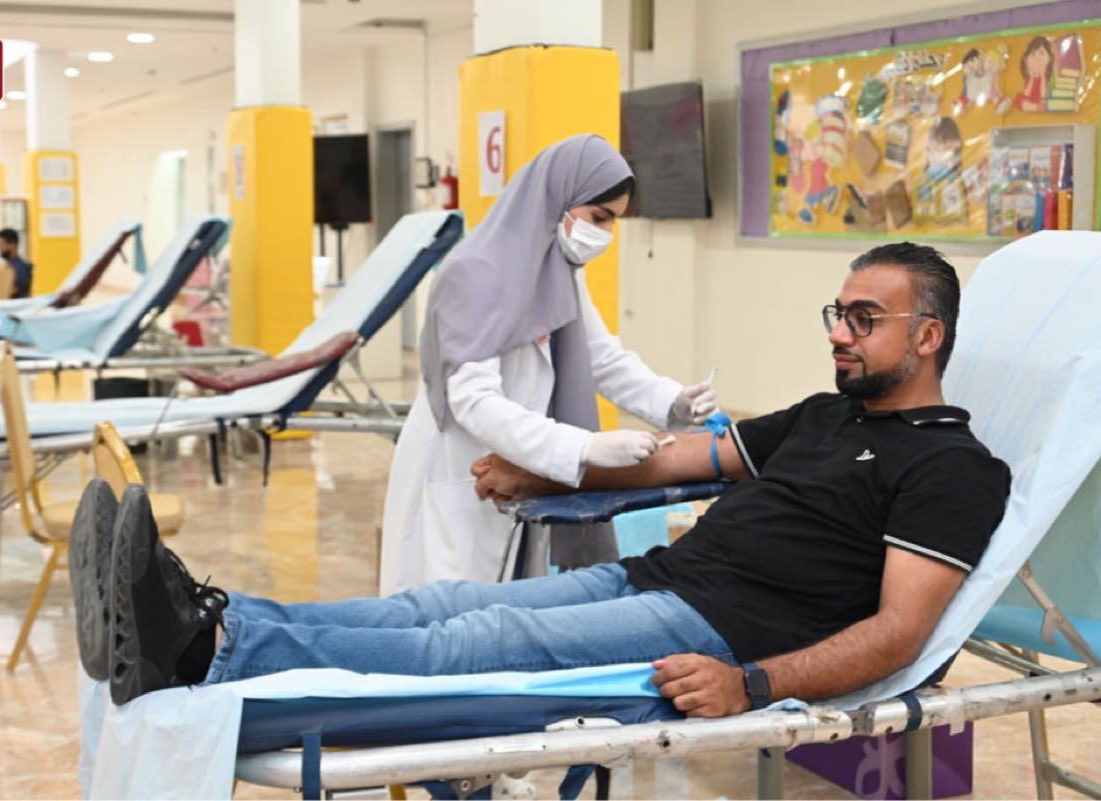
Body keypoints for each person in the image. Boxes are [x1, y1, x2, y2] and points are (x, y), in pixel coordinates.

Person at [72, 242, 1010, 713]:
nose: (838, 332)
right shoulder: (823, 414)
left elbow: (900, 633)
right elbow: (679, 455)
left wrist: (752, 684)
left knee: (482, 639)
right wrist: (546, 474)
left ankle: (203, 653)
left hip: (719, 631)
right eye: (836, 312)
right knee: (435, 604)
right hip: (657, 581)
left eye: (862, 318)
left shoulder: (955, 468)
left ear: (927, 336)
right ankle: (203, 614)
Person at [380, 134, 717, 595]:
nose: (605, 235)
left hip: (522, 462)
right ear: (557, 198)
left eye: (613, 222)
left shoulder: (557, 270)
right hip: (462, 468)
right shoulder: (474, 273)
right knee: (445, 612)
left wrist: (672, 400)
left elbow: (601, 357)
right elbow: (473, 400)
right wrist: (583, 448)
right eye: (598, 217)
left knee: (508, 603)